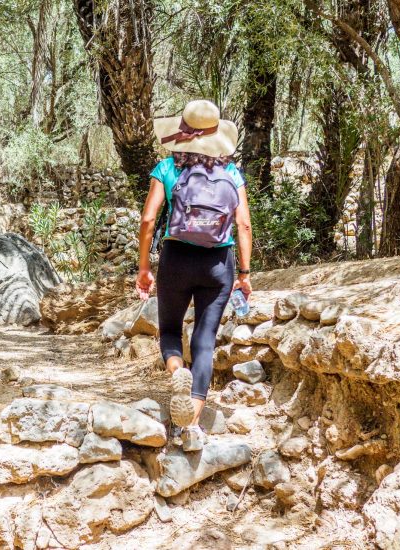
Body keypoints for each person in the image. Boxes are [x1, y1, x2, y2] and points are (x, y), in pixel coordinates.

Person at [136, 99, 253, 452]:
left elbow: (147, 220)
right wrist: (244, 274)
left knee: (170, 330)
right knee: (204, 339)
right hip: (219, 263)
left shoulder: (167, 168)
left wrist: (143, 268)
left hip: (176, 258)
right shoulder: (232, 174)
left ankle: (176, 373)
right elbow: (243, 224)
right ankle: (191, 426)